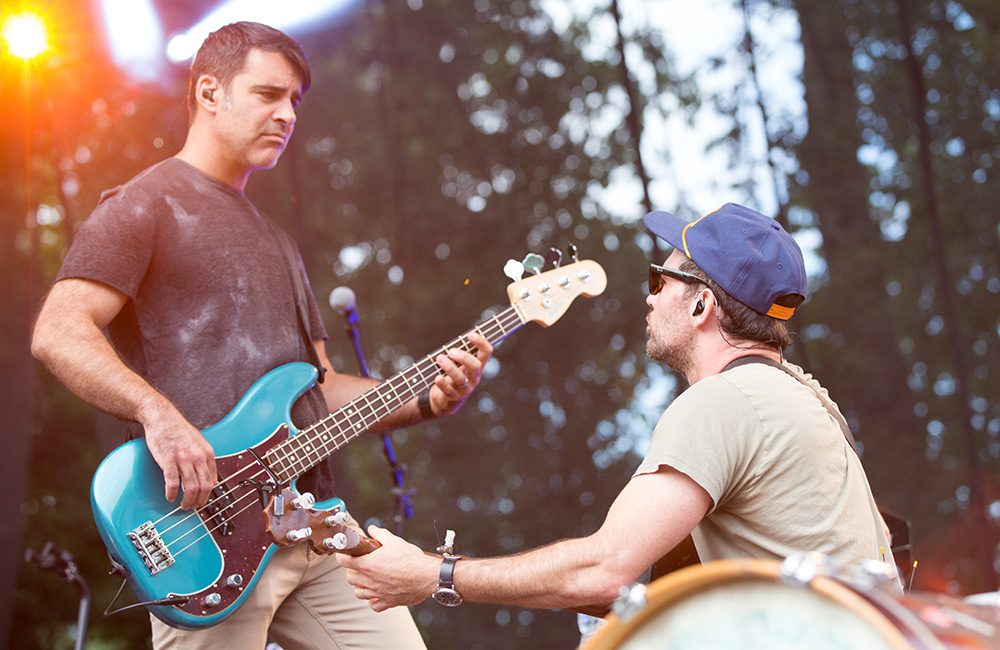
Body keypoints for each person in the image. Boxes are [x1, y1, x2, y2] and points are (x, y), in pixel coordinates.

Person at [30, 21, 492, 650]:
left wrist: (426, 399)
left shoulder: (280, 244)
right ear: (209, 92)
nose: (286, 114)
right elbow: (59, 331)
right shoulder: (143, 205)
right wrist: (156, 413)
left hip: (315, 526)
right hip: (203, 534)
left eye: (295, 102)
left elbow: (317, 391)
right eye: (268, 94)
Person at [336, 203, 898, 615]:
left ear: (702, 303)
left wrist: (434, 574)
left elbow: (603, 572)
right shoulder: (808, 402)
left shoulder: (722, 402)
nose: (649, 295)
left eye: (661, 278)